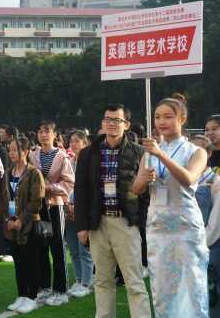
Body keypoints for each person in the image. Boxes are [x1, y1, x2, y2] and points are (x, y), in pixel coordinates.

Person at [132, 95, 209, 317]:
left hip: (185, 227)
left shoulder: (196, 151)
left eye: (168, 116)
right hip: (157, 226)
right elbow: (136, 189)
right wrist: (144, 178)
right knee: (162, 288)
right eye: (157, 117)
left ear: (182, 119)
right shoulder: (149, 151)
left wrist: (161, 155)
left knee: (191, 285)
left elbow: (188, 178)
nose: (161, 122)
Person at [75, 104, 151, 318]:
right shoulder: (88, 153)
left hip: (126, 223)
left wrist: (139, 221)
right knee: (102, 280)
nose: (110, 123)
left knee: (134, 281)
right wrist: (82, 226)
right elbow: (80, 190)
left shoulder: (139, 152)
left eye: (116, 120)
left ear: (126, 125)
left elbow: (146, 193)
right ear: (102, 123)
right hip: (97, 223)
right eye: (107, 119)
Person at [30, 121, 74, 306]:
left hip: (55, 207)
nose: (43, 135)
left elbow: (69, 183)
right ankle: (45, 286)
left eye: (47, 131)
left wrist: (49, 188)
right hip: (40, 208)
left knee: (57, 247)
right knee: (42, 247)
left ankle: (61, 289)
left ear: (54, 134)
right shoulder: (33, 155)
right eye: (40, 131)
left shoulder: (62, 156)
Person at [0, 136, 45, 314]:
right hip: (12, 225)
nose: (11, 153)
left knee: (30, 261)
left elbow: (37, 200)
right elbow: (4, 199)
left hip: (29, 224)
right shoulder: (8, 172)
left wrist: (21, 219)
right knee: (18, 262)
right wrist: (7, 219)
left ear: (25, 152)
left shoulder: (34, 173)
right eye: (9, 150)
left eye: (15, 150)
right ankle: (21, 295)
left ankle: (32, 297)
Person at [191, 135, 220, 317]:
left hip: (210, 244)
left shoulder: (215, 181)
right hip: (188, 244)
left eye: (198, 150)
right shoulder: (186, 179)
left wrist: (204, 241)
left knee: (212, 291)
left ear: (208, 153)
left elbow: (216, 220)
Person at [65, 130, 94, 298]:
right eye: (72, 141)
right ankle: (78, 279)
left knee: (84, 249)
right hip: (68, 209)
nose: (73, 144)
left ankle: (86, 282)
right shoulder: (69, 162)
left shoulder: (90, 163)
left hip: (83, 210)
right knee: (73, 249)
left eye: (77, 141)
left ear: (85, 143)